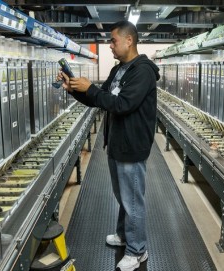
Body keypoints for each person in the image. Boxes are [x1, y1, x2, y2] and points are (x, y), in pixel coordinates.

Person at [57, 20, 160, 271]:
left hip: (132, 146)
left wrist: (90, 88)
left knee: (133, 200)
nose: (110, 45)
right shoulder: (118, 70)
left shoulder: (142, 71)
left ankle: (138, 251)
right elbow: (100, 99)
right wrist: (74, 89)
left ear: (129, 40)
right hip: (116, 143)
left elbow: (123, 104)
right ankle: (125, 236)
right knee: (124, 197)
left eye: (113, 40)